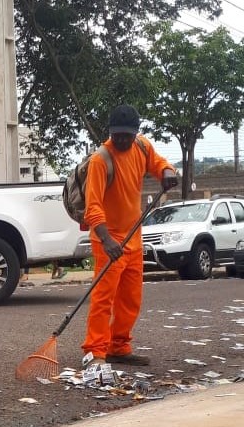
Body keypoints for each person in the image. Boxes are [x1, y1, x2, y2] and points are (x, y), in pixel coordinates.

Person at [82, 104, 177, 367]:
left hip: (133, 238)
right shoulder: (101, 160)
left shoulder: (142, 147)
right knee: (104, 299)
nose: (122, 139)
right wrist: (107, 240)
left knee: (130, 299)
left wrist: (167, 172)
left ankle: (119, 347)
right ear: (110, 132)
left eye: (127, 135)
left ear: (136, 133)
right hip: (108, 240)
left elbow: (159, 163)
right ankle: (95, 351)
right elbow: (93, 206)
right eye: (117, 135)